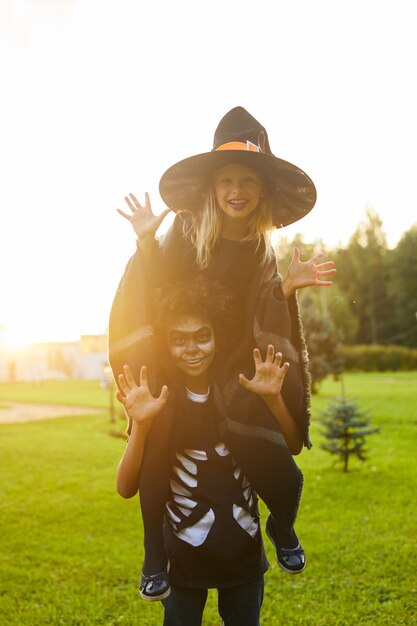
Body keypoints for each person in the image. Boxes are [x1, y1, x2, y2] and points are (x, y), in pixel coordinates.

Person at [109, 106, 336, 598]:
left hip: (232, 367)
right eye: (227, 179)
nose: (237, 189)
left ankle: (282, 524)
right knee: (157, 432)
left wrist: (286, 291)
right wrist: (147, 240)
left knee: (271, 439)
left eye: (248, 181)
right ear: (212, 188)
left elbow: (262, 308)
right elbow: (157, 284)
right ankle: (154, 552)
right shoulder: (188, 232)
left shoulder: (258, 248)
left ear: (261, 192)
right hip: (182, 353)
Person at [116, 277, 305, 625]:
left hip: (243, 551)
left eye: (203, 336)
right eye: (180, 340)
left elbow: (292, 446)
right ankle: (151, 555)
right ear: (166, 345)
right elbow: (126, 487)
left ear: (218, 336)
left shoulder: (241, 390)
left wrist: (273, 399)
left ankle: (284, 527)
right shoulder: (157, 399)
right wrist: (140, 425)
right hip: (182, 556)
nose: (192, 349)